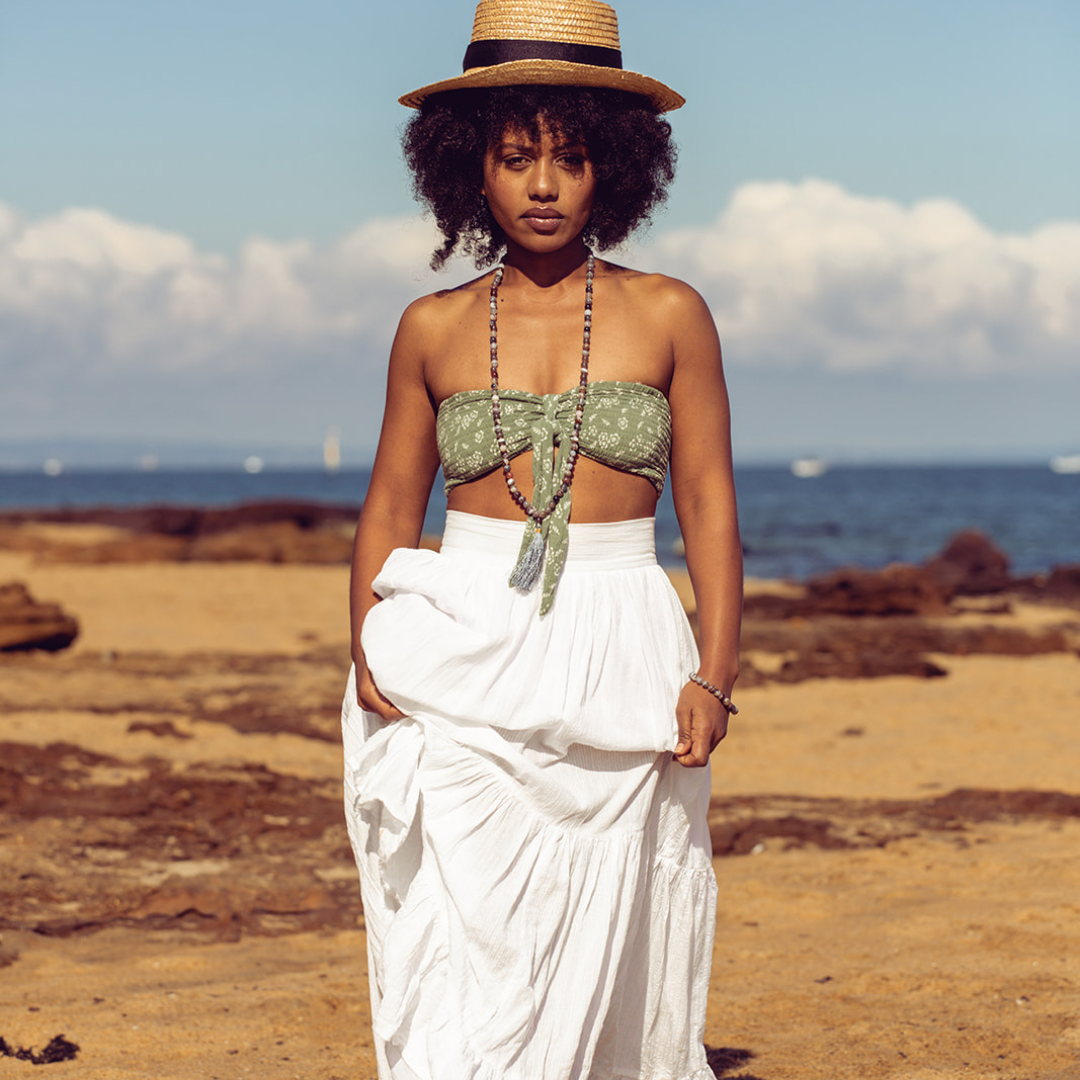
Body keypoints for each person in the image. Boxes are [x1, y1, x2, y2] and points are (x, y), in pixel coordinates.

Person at [341, 2, 742, 1077]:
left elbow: (707, 504)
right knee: (467, 922)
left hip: (623, 638)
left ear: (616, 164)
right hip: (460, 642)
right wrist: (365, 642)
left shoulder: (671, 314)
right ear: (470, 168)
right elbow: (390, 505)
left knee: (615, 916)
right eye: (517, 157)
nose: (545, 184)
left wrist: (716, 672)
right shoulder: (430, 326)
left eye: (570, 156)